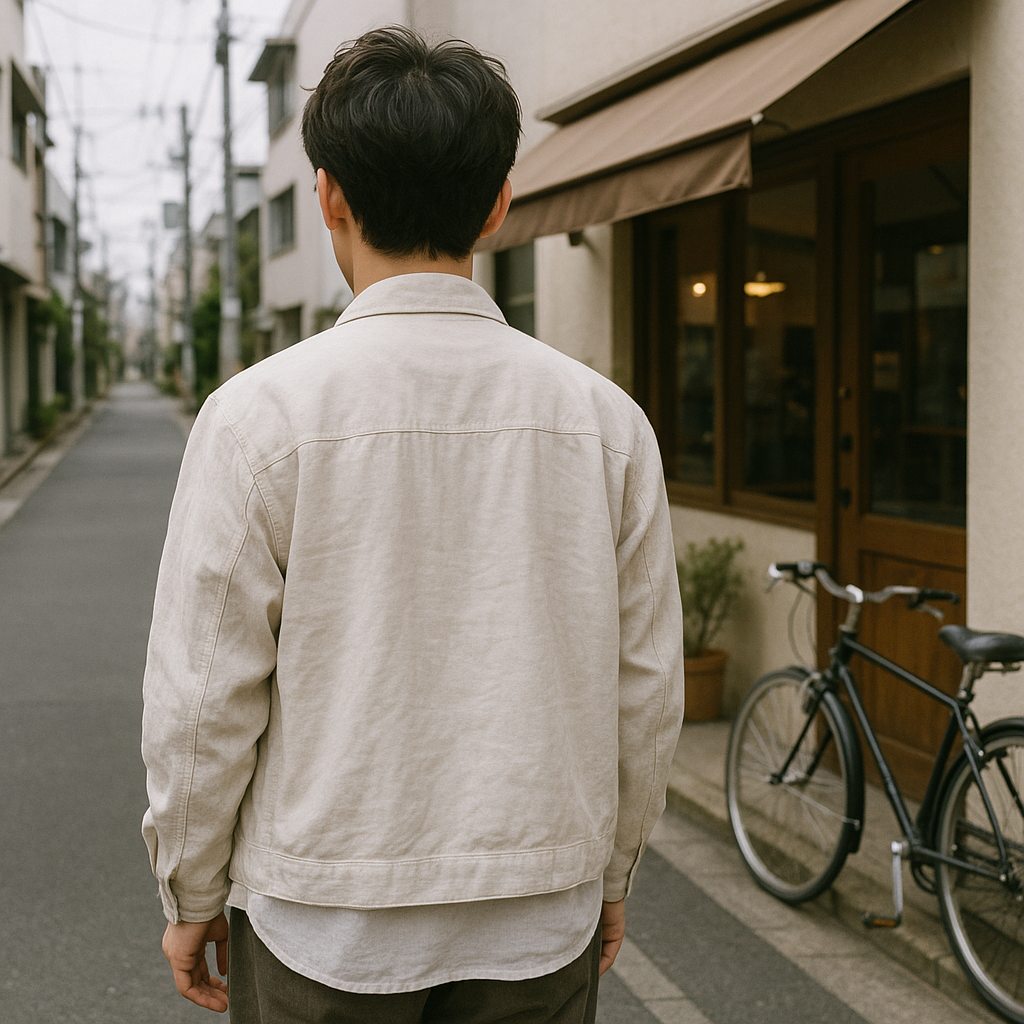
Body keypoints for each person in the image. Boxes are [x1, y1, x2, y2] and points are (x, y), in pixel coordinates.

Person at [142, 25, 684, 1023]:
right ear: (496, 203)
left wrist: (193, 888)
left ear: (329, 198)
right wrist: (612, 871)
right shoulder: (605, 422)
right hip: (537, 916)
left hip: (324, 919)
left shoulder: (260, 417)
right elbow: (643, 689)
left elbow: (200, 695)